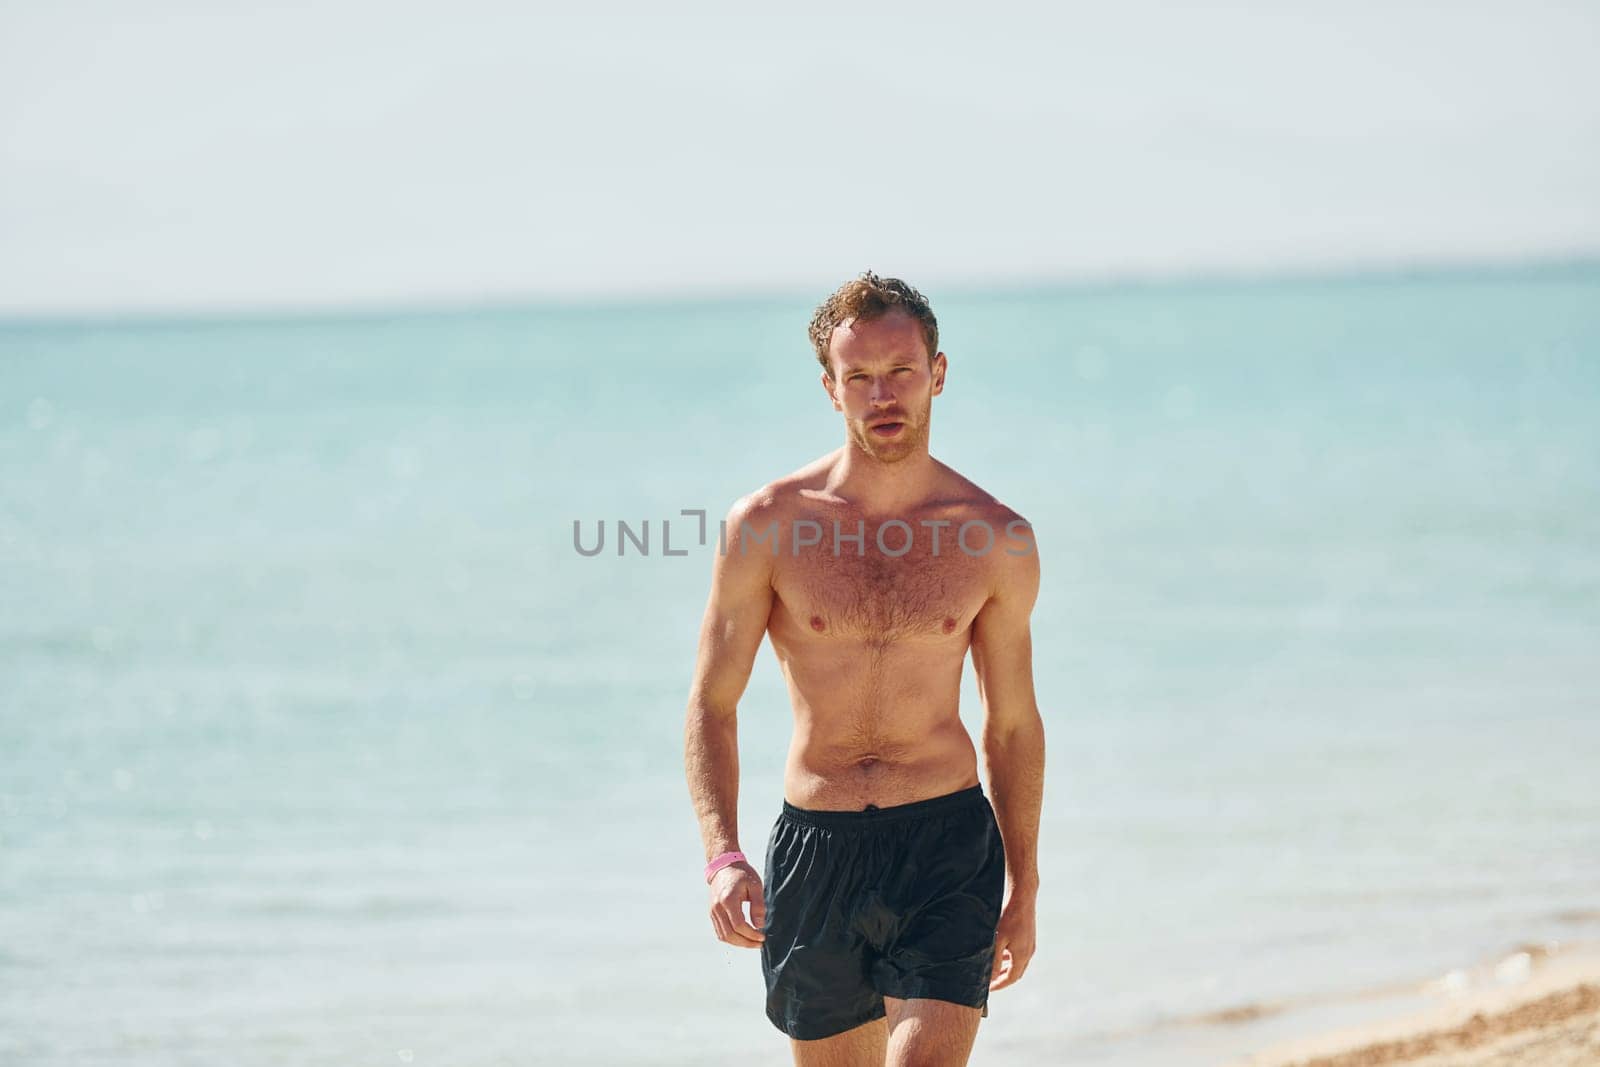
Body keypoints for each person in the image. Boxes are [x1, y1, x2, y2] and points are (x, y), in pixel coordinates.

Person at [684, 271, 1046, 1067]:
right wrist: (722, 855)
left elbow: (1012, 721)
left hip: (946, 841)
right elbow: (713, 701)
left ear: (938, 375)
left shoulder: (995, 538)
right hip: (819, 847)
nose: (883, 395)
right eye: (860, 378)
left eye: (901, 372)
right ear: (830, 388)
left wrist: (1025, 885)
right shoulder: (769, 526)